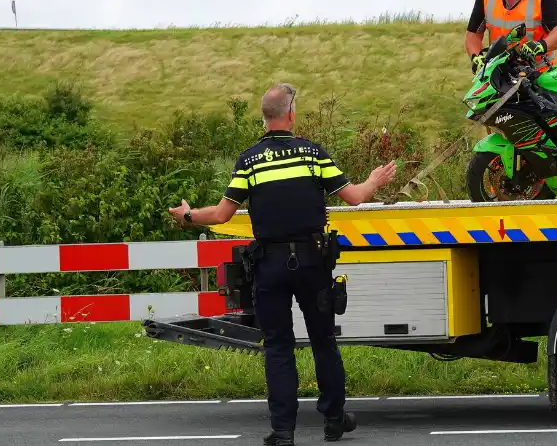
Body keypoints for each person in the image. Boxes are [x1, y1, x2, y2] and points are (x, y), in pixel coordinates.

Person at [168, 82, 397, 444]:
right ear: (291, 114)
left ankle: (283, 431)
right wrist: (372, 180)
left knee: (277, 346)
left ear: (264, 119)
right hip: (312, 261)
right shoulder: (312, 154)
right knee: (323, 340)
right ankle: (334, 419)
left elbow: (222, 215)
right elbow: (355, 198)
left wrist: (187, 215)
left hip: (270, 266)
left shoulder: (249, 160)